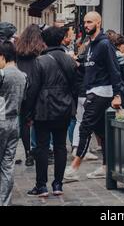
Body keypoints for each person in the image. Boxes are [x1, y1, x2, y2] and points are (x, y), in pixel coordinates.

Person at [64, 12, 122, 182]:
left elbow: (114, 70)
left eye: (89, 22)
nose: (86, 25)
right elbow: (90, 67)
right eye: (84, 22)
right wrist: (78, 64)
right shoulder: (91, 45)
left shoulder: (104, 44)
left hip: (101, 92)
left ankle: (75, 166)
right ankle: (106, 166)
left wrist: (117, 94)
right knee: (101, 131)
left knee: (85, 127)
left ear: (98, 22)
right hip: (92, 90)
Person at [26, 26, 78, 198]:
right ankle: (58, 184)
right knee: (60, 146)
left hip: (43, 109)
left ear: (44, 41)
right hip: (64, 107)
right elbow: (75, 87)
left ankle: (41, 186)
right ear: (61, 39)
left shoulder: (40, 61)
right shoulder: (69, 60)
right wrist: (73, 108)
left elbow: (32, 89)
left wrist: (28, 113)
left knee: (41, 147)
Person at [0, 41, 27, 206]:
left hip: (1, 119)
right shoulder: (23, 76)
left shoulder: (2, 74)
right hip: (14, 122)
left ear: (2, 57)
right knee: (7, 165)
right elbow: (24, 100)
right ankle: (5, 201)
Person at [16, 24, 47, 167]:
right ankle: (39, 150)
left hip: (23, 86)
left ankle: (28, 152)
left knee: (24, 123)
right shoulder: (41, 49)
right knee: (37, 121)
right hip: (38, 87)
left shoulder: (19, 49)